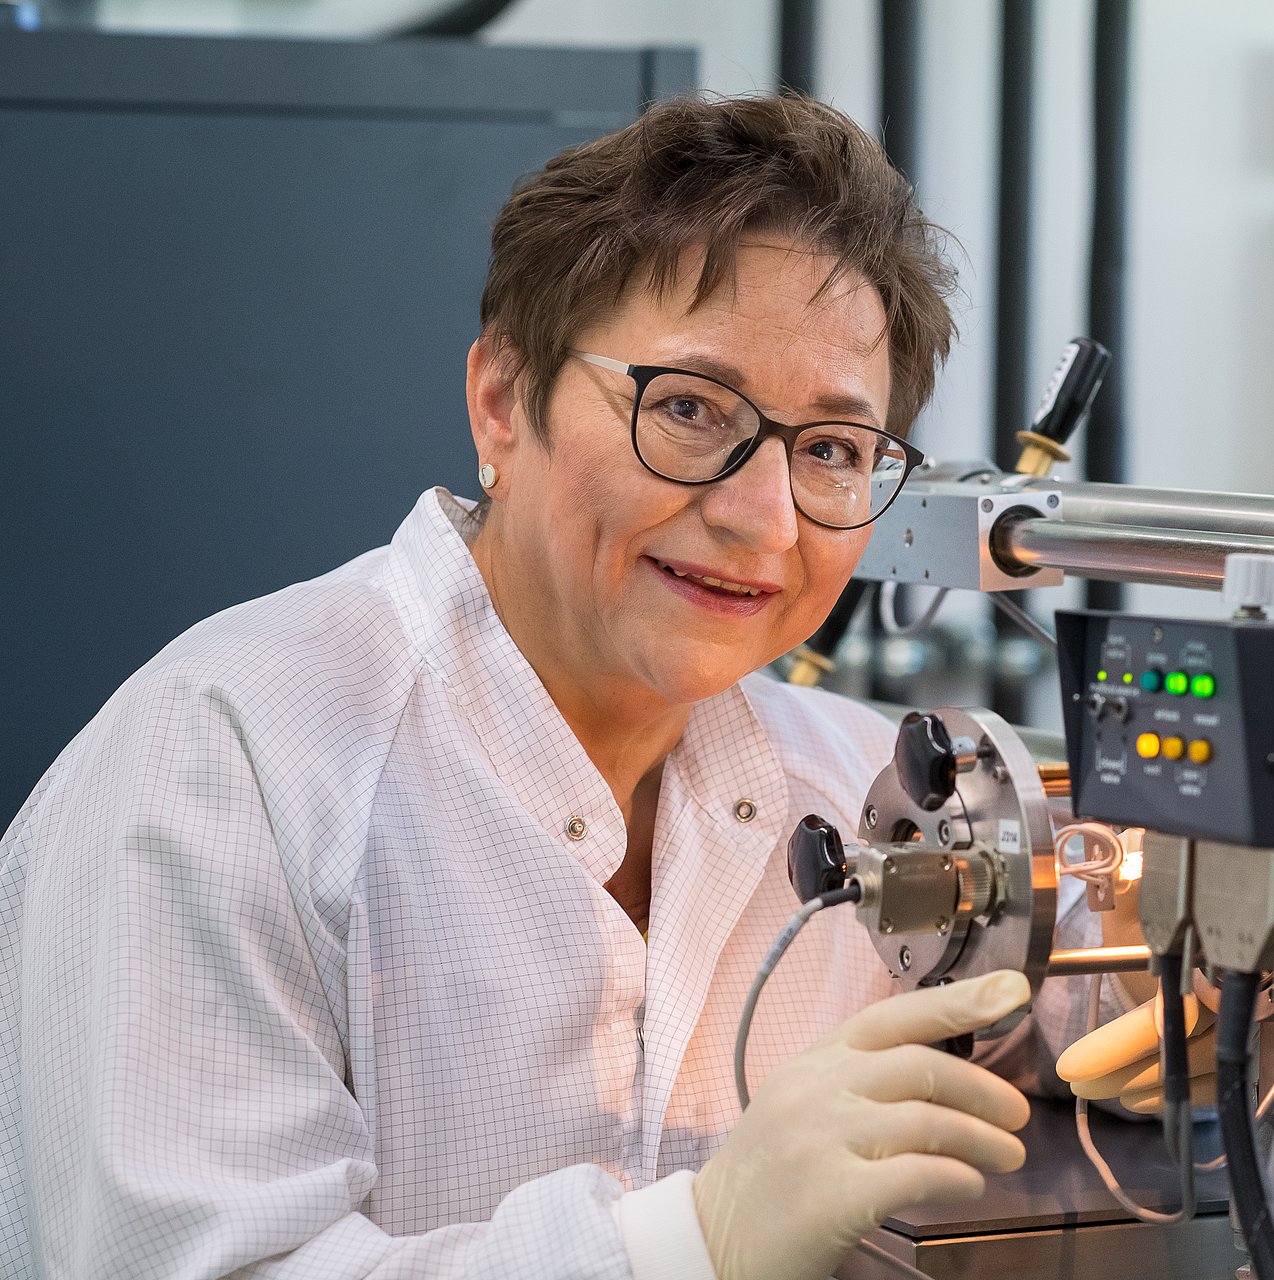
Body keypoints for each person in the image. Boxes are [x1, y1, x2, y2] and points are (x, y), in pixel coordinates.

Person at [0, 94, 1126, 1280]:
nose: (765, 521)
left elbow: (1140, 1024)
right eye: (690, 409)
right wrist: (689, 1243)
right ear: (502, 398)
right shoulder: (227, 765)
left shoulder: (863, 788)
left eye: (833, 449)